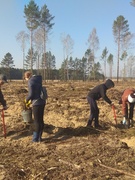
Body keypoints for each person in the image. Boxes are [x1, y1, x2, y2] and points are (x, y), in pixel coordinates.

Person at [24, 71, 47, 142]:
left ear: (27, 77)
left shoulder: (31, 82)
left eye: (25, 78)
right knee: (40, 120)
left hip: (36, 103)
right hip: (42, 102)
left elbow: (31, 94)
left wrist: (26, 100)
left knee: (36, 121)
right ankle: (40, 137)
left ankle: (35, 139)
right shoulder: (38, 80)